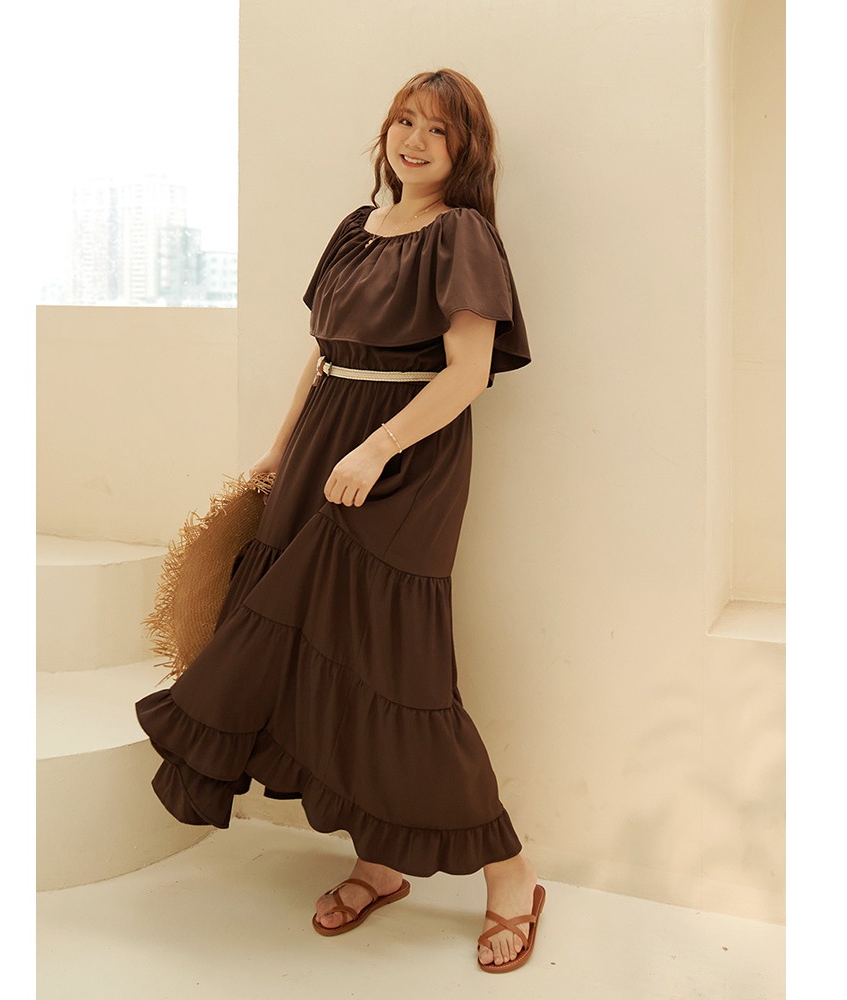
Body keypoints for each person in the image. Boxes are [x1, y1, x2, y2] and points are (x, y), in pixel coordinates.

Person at [135, 67, 544, 973]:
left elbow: (469, 373)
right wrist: (282, 449)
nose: (415, 141)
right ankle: (379, 862)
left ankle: (510, 871)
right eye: (404, 121)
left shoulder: (462, 234)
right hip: (324, 449)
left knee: (400, 670)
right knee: (326, 657)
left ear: (465, 151)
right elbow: (321, 357)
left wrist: (376, 450)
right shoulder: (355, 230)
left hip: (405, 464)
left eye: (438, 130)